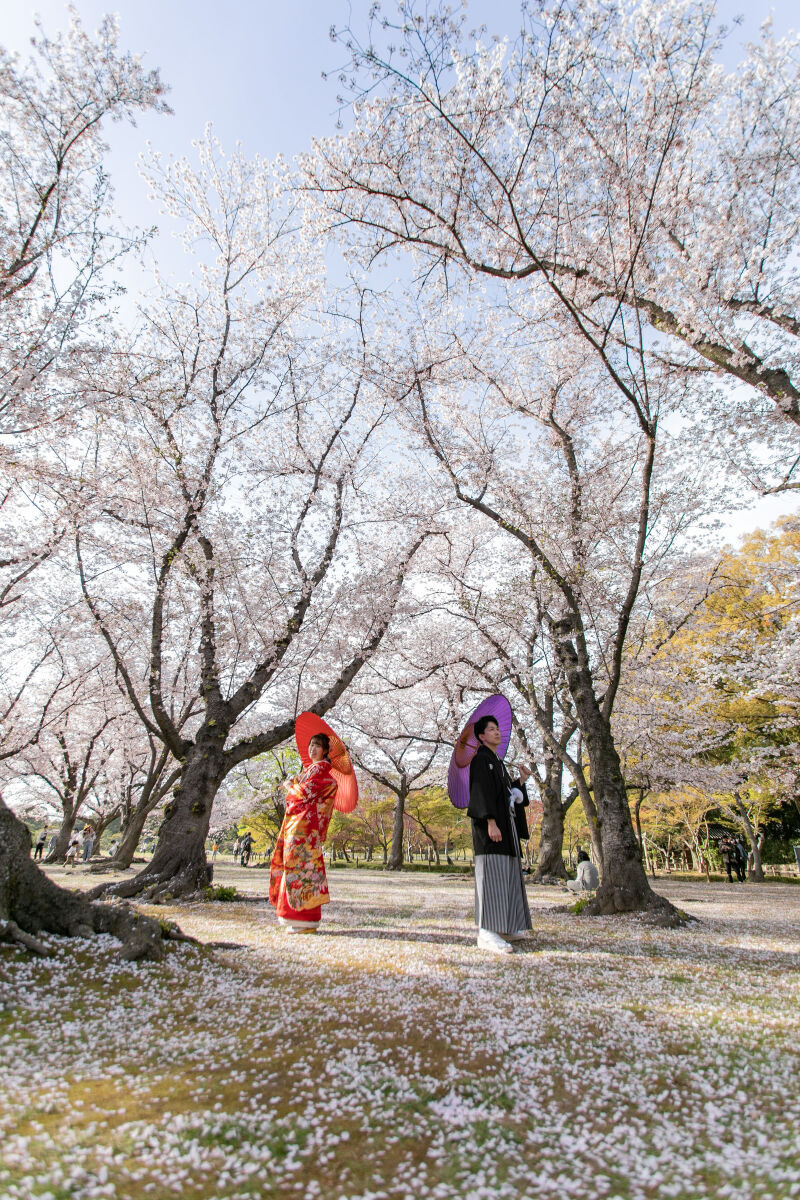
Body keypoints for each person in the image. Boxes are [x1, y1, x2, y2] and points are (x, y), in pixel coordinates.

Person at [465, 714, 532, 954]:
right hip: (491, 830)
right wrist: (491, 821)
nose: (497, 732)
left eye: (497, 729)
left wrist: (520, 782)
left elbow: (507, 795)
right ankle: (486, 932)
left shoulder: (498, 762)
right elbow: (481, 792)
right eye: (491, 729)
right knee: (492, 876)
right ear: (482, 736)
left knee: (507, 874)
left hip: (508, 830)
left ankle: (506, 927)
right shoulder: (480, 760)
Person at [269, 733, 338, 932]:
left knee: (300, 868)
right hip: (301, 827)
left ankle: (303, 920)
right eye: (310, 745)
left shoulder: (319, 771)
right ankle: (298, 919)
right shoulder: (312, 770)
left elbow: (302, 795)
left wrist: (291, 786)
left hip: (303, 829)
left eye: (317, 746)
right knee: (299, 868)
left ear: (325, 750)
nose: (312, 749)